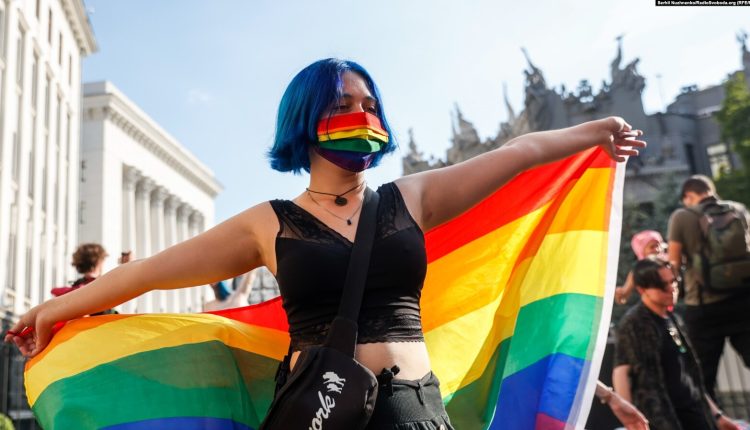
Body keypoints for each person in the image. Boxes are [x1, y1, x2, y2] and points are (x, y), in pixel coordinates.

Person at [6, 58, 646, 428]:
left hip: (414, 409)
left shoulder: (413, 197)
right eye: (344, 104)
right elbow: (148, 273)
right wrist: (50, 311)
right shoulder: (267, 223)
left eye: (371, 104)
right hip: (318, 413)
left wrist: (595, 132)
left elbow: (519, 152)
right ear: (305, 120)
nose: (363, 116)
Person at [613, 259, 739, 430]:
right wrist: (630, 419)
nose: (671, 288)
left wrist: (717, 415)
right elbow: (621, 371)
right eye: (662, 285)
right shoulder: (634, 323)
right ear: (642, 289)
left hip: (696, 416)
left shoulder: (673, 319)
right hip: (662, 420)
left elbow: (692, 376)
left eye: (673, 281)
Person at [667, 175, 750, 400]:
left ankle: (711, 417)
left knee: (702, 377)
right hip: (743, 299)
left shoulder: (682, 216)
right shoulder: (739, 210)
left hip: (704, 306)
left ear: (688, 196)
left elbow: (673, 263)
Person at [615, 230, 668, 305]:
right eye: (652, 247)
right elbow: (623, 296)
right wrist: (620, 294)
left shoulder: (668, 264)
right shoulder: (638, 271)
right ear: (642, 251)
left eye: (658, 245)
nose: (657, 249)